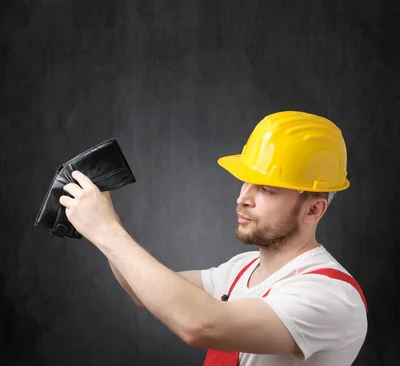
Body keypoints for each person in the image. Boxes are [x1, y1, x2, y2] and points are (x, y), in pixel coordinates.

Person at [59, 110, 368, 365]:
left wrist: (107, 230)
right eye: (246, 182)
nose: (242, 198)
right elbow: (142, 290)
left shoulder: (330, 295)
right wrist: (104, 221)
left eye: (266, 189)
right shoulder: (241, 270)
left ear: (313, 210)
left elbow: (201, 324)